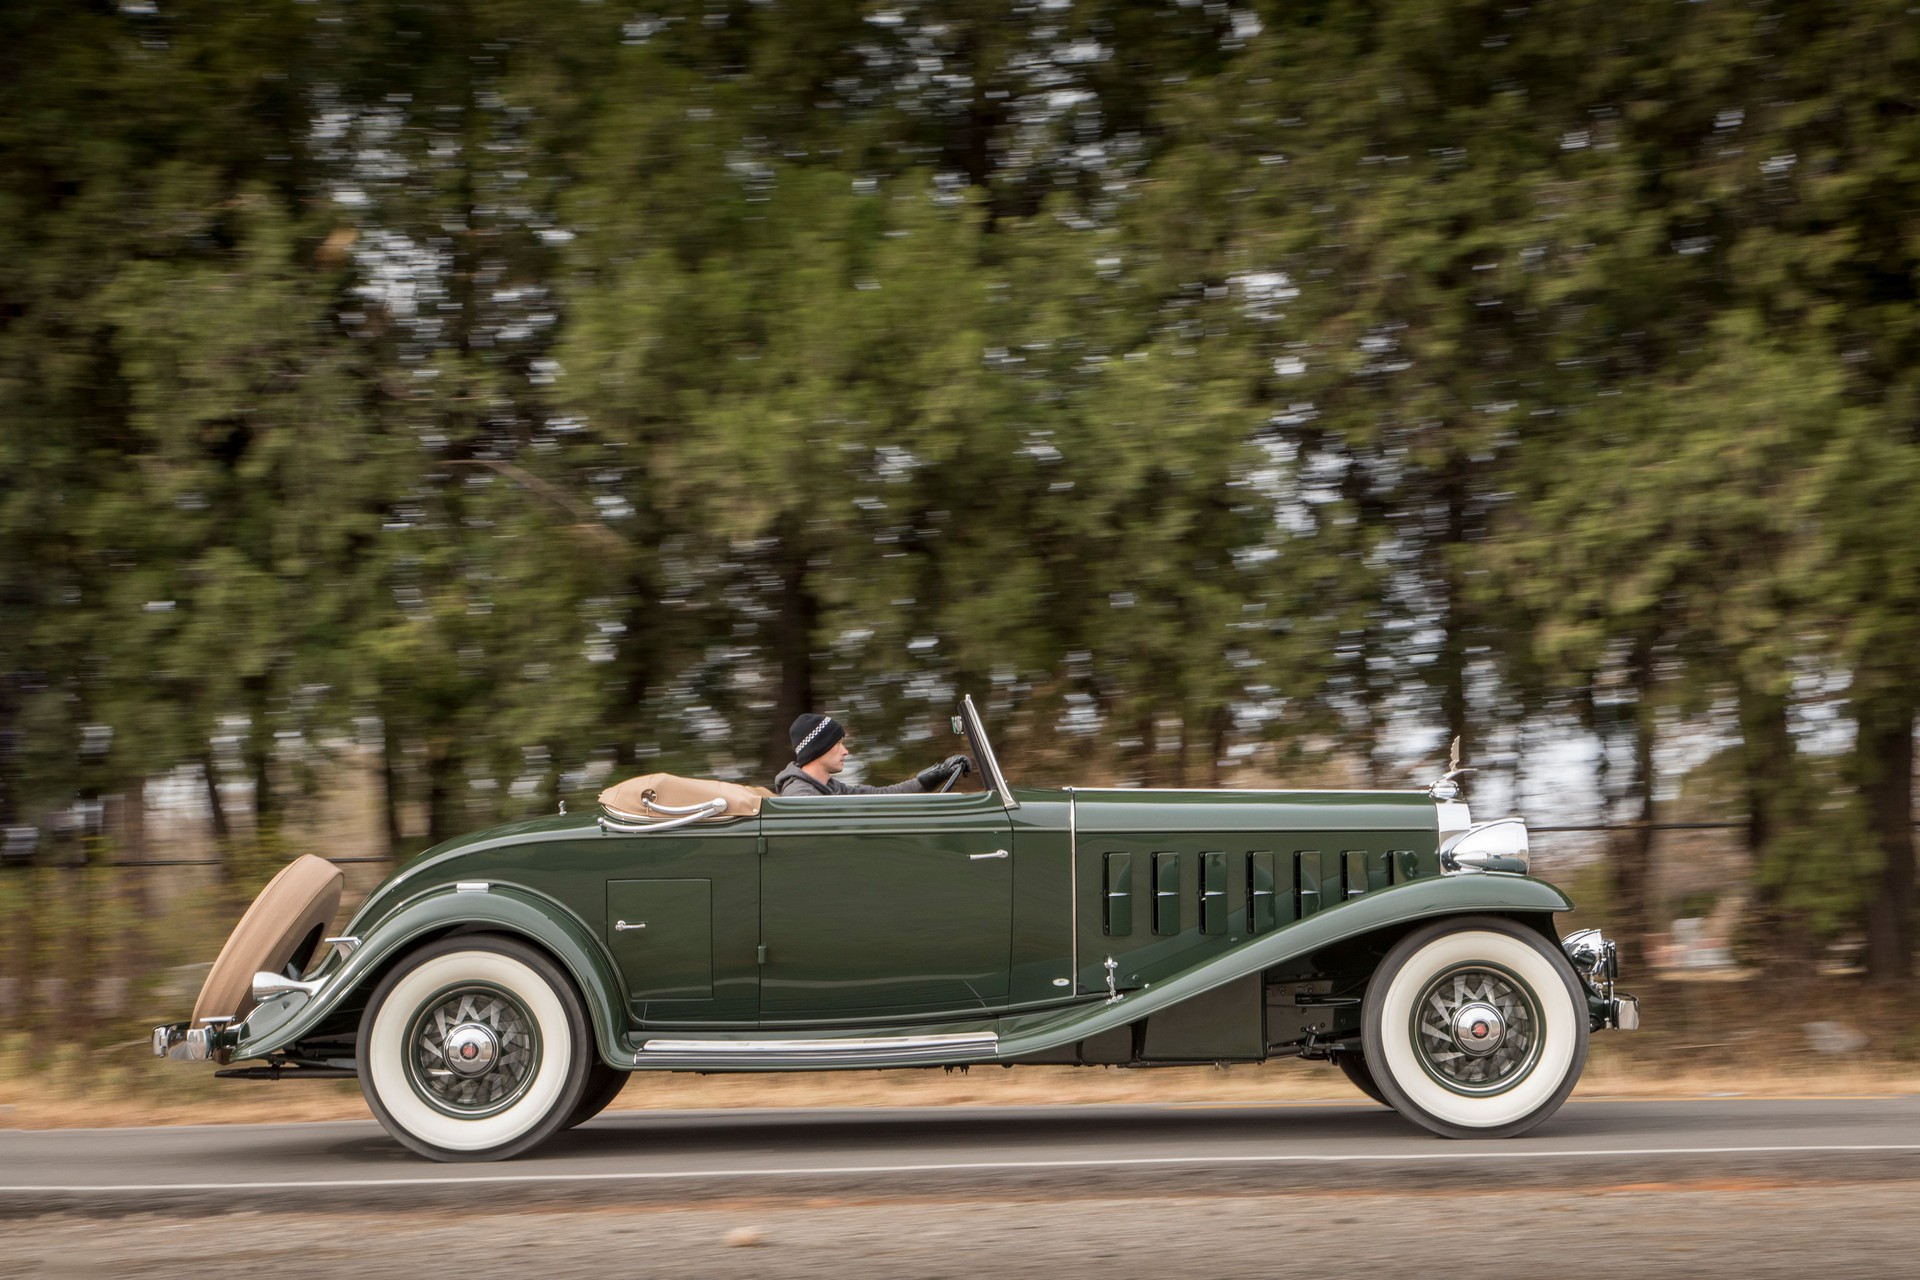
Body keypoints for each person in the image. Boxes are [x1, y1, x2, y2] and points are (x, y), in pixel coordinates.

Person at [773, 713, 972, 797]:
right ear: (819, 748)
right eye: (839, 743)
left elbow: (880, 796)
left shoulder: (830, 788)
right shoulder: (800, 795)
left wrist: (931, 778)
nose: (845, 751)